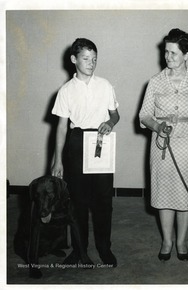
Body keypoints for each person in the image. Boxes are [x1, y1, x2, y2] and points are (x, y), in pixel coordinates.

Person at [139, 28, 188, 261]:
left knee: (185, 195)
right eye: (166, 52)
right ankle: (166, 241)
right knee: (163, 193)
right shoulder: (155, 82)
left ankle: (181, 241)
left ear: (187, 54)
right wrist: (157, 126)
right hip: (162, 144)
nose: (168, 56)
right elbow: (143, 115)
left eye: (173, 53)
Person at [51, 38, 120, 267]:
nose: (91, 63)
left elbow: (115, 115)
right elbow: (61, 127)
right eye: (85, 58)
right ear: (74, 60)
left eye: (94, 59)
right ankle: (79, 251)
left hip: (101, 141)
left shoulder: (105, 85)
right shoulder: (66, 91)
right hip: (77, 142)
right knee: (77, 201)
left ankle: (104, 249)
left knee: (103, 201)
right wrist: (57, 160)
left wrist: (110, 124)